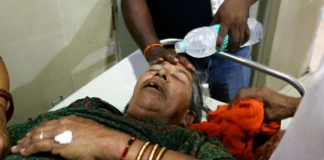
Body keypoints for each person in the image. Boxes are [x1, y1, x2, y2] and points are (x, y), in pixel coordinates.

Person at [0, 58, 235, 159]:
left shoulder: (189, 143)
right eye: (155, 69)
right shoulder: (88, 107)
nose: (161, 72)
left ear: (188, 117)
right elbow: (8, 141)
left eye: (178, 77)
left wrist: (106, 143)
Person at [122, 0, 258, 103]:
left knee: (237, 118)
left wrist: (240, 2)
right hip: (176, 57)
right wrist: (152, 48)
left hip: (231, 47)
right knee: (176, 122)